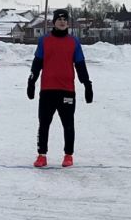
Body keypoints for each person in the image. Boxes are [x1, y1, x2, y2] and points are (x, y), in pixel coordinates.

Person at [27, 9, 92, 168]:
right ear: (53, 22)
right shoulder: (44, 41)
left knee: (68, 124)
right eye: (59, 19)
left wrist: (87, 84)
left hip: (67, 90)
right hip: (48, 89)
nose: (62, 21)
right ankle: (42, 155)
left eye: (65, 19)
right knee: (44, 123)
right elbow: (37, 63)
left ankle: (68, 155)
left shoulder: (73, 42)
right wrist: (31, 81)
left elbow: (80, 65)